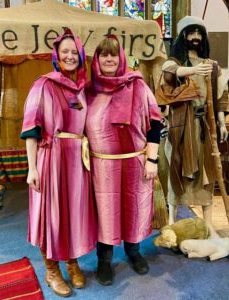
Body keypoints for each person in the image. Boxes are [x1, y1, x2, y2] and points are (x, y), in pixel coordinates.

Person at [21, 29, 96, 297]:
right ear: (56, 55)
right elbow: (31, 129)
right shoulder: (43, 84)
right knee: (50, 215)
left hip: (77, 159)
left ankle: (71, 261)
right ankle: (51, 268)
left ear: (81, 55)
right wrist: (32, 168)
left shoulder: (83, 89)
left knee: (72, 213)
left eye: (74, 52)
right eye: (64, 51)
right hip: (50, 157)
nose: (69, 56)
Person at [85, 36, 162, 285]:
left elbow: (155, 122)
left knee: (133, 207)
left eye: (113, 54)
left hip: (134, 162)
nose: (109, 59)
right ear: (96, 60)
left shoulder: (138, 85)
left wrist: (153, 160)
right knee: (105, 212)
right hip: (101, 164)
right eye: (103, 55)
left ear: (121, 58)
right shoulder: (88, 89)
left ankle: (134, 252)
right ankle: (104, 260)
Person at [160, 16, 229, 228]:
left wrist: (220, 120)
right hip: (180, 127)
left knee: (207, 171)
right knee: (177, 167)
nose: (196, 37)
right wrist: (192, 70)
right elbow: (169, 73)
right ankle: (172, 220)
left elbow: (220, 94)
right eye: (191, 33)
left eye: (199, 33)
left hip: (205, 128)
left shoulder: (212, 65)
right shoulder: (174, 63)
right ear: (183, 37)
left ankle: (208, 224)